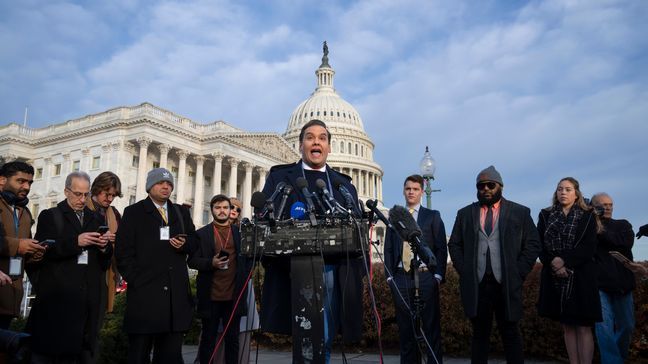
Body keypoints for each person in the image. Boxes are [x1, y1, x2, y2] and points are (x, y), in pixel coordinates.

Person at [259, 119, 364, 363]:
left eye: (322, 138)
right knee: (306, 339)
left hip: (333, 269)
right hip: (293, 270)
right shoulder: (280, 178)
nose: (316, 141)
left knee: (324, 337)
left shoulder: (343, 184)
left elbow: (356, 229)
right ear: (300, 144)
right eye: (310, 137)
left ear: (328, 146)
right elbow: (265, 218)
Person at [448, 165, 541, 364]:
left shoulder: (520, 212)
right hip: (477, 285)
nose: (486, 189)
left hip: (506, 284)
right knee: (479, 336)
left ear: (500, 186)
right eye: (481, 186)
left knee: (511, 334)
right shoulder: (464, 214)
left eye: (491, 185)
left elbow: (533, 244)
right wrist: (464, 270)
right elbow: (454, 244)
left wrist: (519, 272)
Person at [28, 171, 114, 362]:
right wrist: (76, 242)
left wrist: (104, 247)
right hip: (58, 297)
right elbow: (44, 251)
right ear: (67, 191)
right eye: (77, 194)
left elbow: (104, 262)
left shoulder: (96, 218)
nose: (82, 199)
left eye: (86, 194)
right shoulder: (50, 216)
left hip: (87, 300)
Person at [115, 168, 196, 364]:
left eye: (169, 184)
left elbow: (196, 242)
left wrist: (185, 244)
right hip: (145, 297)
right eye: (161, 183)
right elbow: (123, 253)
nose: (166, 187)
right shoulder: (133, 212)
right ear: (150, 186)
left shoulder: (181, 212)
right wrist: (137, 280)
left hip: (174, 300)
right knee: (139, 355)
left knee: (170, 356)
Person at [537, 177, 601, 364]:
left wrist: (564, 261)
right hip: (555, 276)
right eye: (559, 189)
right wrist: (553, 263)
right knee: (567, 326)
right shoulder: (545, 215)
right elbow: (539, 244)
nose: (563, 192)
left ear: (576, 193)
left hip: (581, 277)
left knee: (583, 327)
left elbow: (589, 247)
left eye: (568, 189)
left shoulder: (587, 215)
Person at [384, 174, 447, 364]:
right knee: (406, 331)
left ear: (421, 191)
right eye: (408, 188)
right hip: (401, 278)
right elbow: (388, 248)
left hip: (425, 277)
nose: (411, 192)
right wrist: (389, 277)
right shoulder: (395, 218)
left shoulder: (432, 216)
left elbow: (441, 248)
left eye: (415, 189)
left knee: (430, 329)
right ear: (404, 191)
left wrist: (437, 275)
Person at [189, 194, 251, 364]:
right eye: (218, 208)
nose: (222, 211)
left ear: (230, 210)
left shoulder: (240, 234)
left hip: (234, 296)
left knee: (233, 340)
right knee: (208, 339)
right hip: (211, 296)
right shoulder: (201, 234)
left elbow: (249, 259)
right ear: (212, 210)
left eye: (225, 207)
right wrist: (211, 262)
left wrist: (246, 273)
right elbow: (192, 261)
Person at [590, 193, 635, 364]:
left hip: (623, 284)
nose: (607, 207)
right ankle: (612, 362)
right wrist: (592, 222)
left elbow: (623, 243)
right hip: (600, 285)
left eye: (610, 204)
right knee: (604, 327)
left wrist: (599, 229)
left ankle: (619, 358)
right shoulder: (589, 227)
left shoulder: (623, 224)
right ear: (593, 207)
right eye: (602, 205)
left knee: (627, 326)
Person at [0, 161, 43, 329]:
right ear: (2, 180)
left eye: (30, 182)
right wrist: (18, 246)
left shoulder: (24, 212)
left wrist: (35, 252)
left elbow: (25, 250)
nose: (26, 186)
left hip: (12, 296)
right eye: (20, 181)